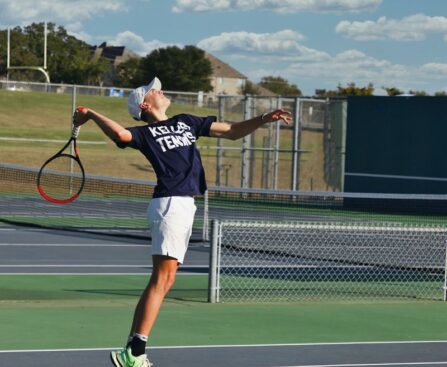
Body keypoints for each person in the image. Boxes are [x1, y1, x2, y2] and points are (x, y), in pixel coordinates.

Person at [73, 77, 292, 367]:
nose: (161, 89)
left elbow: (233, 131)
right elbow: (121, 136)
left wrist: (265, 118)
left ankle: (134, 350)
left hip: (185, 204)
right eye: (154, 89)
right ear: (145, 104)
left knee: (165, 279)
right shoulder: (145, 133)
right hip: (170, 203)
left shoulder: (186, 121)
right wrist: (90, 114)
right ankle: (134, 353)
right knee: (162, 279)